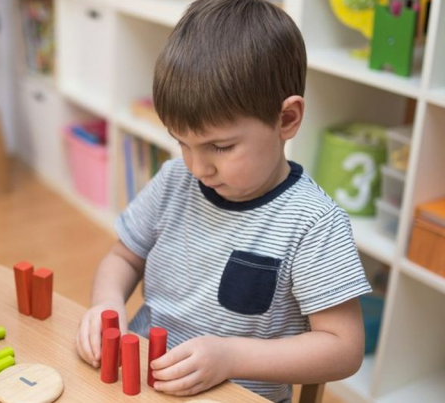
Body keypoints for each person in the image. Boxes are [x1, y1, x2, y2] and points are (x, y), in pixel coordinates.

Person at [75, 1, 370, 402]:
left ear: (286, 120)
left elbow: (343, 348)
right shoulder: (174, 180)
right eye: (183, 143)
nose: (198, 167)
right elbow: (123, 257)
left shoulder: (313, 223)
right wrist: (106, 306)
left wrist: (231, 357)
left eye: (220, 146)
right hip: (143, 381)